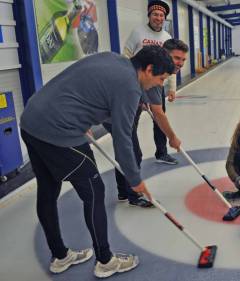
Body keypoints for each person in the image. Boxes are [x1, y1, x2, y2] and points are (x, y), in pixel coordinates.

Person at [20, 46, 174, 278]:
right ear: (148, 69)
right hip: (59, 131)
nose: (160, 84)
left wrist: (85, 118)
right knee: (94, 191)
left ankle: (60, 256)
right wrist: (134, 179)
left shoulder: (112, 58)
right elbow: (123, 139)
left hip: (32, 120)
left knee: (48, 189)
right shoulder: (130, 87)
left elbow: (82, 87)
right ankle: (105, 261)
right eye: (160, 78)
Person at [103, 39, 187, 208]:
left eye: (183, 59)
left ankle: (123, 191)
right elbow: (158, 112)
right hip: (116, 112)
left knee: (128, 151)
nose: (180, 63)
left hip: (126, 108)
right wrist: (172, 137)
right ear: (164, 54)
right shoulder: (155, 71)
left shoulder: (156, 71)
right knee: (133, 152)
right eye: (177, 58)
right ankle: (133, 193)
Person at [123, 0, 179, 165]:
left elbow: (171, 65)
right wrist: (129, 79)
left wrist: (172, 88)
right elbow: (126, 54)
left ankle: (162, 153)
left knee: (159, 118)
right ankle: (132, 154)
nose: (158, 18)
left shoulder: (167, 38)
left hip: (157, 84)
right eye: (155, 14)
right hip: (137, 83)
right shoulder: (138, 32)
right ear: (149, 15)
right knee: (133, 119)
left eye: (161, 15)